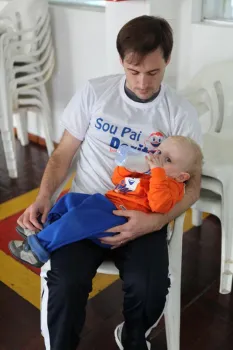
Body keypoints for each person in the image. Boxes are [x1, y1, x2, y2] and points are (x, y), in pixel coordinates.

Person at [17, 15, 202, 350]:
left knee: (149, 287)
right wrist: (45, 196)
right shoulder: (95, 92)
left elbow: (193, 187)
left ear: (168, 62)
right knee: (65, 282)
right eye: (133, 72)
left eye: (153, 72)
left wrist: (154, 221)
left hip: (142, 211)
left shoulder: (180, 112)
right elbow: (62, 154)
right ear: (122, 62)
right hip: (90, 205)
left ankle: (132, 338)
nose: (143, 83)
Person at [10, 136, 203, 268]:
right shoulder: (147, 173)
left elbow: (159, 205)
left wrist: (157, 173)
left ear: (181, 176)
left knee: (78, 218)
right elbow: (118, 181)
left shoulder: (172, 187)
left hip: (118, 217)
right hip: (106, 202)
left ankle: (38, 250)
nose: (158, 158)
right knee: (69, 200)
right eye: (159, 151)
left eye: (167, 159)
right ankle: (44, 227)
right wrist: (126, 166)